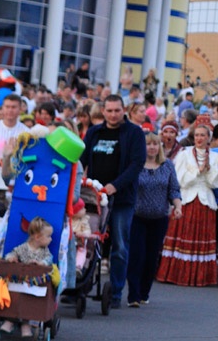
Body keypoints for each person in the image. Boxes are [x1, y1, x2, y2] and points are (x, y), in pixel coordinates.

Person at [80, 94, 147, 308]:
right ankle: (81, 285)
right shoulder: (94, 132)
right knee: (87, 241)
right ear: (103, 111)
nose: (113, 114)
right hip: (93, 198)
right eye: (109, 110)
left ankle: (116, 292)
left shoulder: (134, 133)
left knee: (119, 245)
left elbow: (137, 164)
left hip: (121, 199)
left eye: (117, 110)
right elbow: (81, 160)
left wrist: (114, 186)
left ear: (123, 109)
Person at [155, 118, 218, 287]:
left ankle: (201, 276)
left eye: (203, 135)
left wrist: (208, 171)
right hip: (186, 198)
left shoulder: (215, 157)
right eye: (197, 135)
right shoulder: (184, 154)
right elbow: (178, 179)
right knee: (181, 236)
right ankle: (176, 274)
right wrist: (197, 172)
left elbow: (215, 183)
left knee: (202, 238)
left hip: (205, 200)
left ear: (209, 138)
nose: (199, 138)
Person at [127, 133, 181, 306]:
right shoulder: (136, 166)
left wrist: (177, 206)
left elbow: (174, 189)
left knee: (151, 258)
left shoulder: (167, 166)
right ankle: (133, 295)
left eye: (155, 144)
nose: (152, 147)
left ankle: (144, 292)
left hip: (159, 218)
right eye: (148, 144)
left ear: (159, 147)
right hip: (137, 217)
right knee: (137, 255)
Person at [0, 217, 54, 337]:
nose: (51, 239)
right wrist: (11, 258)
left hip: (34, 284)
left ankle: (26, 324)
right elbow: (13, 253)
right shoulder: (23, 248)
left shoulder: (44, 251)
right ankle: (9, 321)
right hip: (20, 282)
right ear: (37, 237)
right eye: (48, 236)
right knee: (15, 299)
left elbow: (49, 259)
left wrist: (42, 263)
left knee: (29, 302)